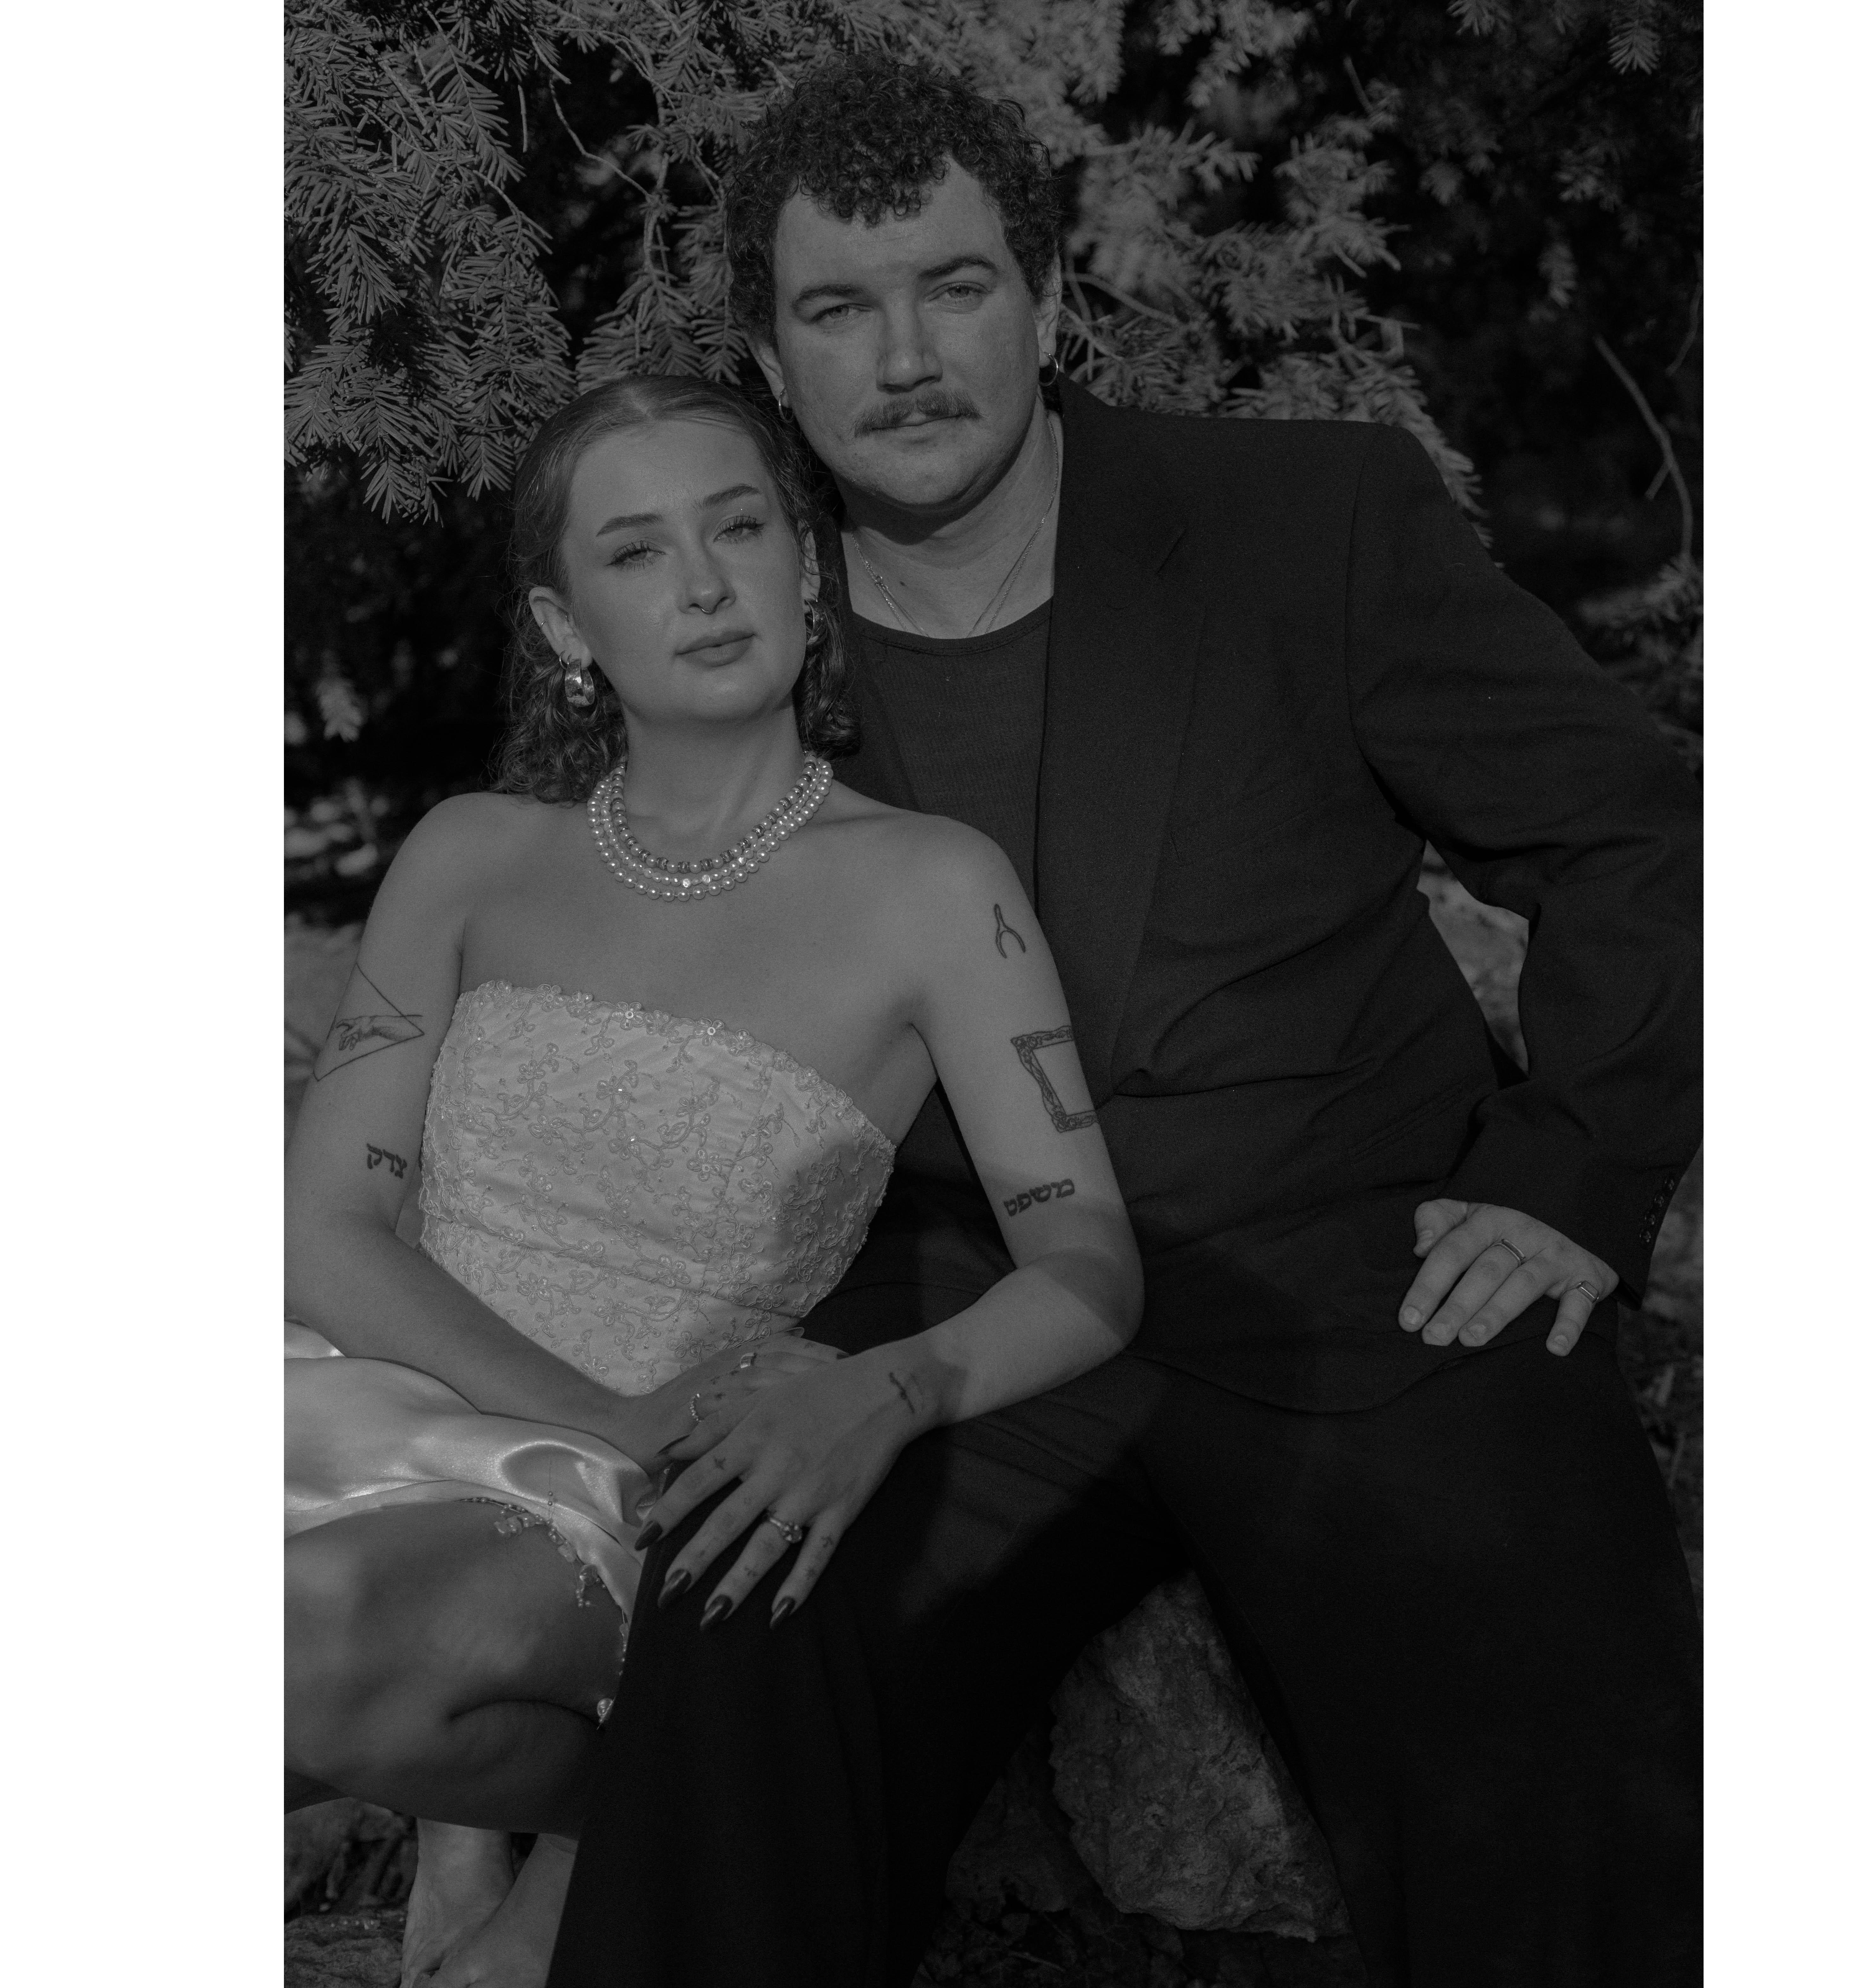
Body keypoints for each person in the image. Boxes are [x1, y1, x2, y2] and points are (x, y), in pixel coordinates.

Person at [547, 53, 1703, 1988]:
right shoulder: (741, 618)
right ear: (768, 355)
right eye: (838, 309)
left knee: (1555, 1737)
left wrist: (1574, 1176)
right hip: (957, 1302)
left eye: (957, 288)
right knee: (743, 1616)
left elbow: (1639, 834)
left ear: (1052, 296)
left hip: (1366, 1277)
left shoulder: (1305, 524)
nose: (904, 359)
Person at [283, 373, 1144, 1988]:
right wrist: (580, 1408)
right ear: (564, 625)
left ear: (806, 572)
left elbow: (1088, 1260)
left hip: (634, 1494)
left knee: (292, 1641)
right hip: (372, 1402)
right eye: (636, 550)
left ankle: (609, 1849)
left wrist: (892, 1386)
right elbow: (320, 1226)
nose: (702, 582)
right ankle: (551, 1849)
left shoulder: (932, 888)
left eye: (739, 527)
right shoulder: (471, 852)